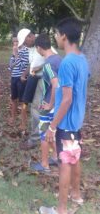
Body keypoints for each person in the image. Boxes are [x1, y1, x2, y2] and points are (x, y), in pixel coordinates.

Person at [39, 18, 89, 214]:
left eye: (57, 34)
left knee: (65, 163)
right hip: (76, 121)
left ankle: (61, 210)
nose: (56, 38)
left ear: (64, 37)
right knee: (74, 157)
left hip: (66, 122)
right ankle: (76, 195)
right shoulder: (82, 59)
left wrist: (52, 127)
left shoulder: (67, 62)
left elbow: (67, 99)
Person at [30, 33, 62, 173]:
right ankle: (55, 157)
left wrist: (50, 104)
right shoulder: (58, 59)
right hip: (59, 104)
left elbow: (55, 84)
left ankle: (44, 165)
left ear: (38, 47)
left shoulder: (48, 63)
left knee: (44, 133)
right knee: (51, 132)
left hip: (49, 104)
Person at [19, 29, 45, 149]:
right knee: (31, 106)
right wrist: (25, 73)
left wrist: (37, 70)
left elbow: (51, 60)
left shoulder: (42, 44)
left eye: (25, 41)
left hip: (42, 79)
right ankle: (38, 135)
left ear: (30, 37)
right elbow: (32, 63)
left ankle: (36, 138)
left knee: (36, 108)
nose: (24, 44)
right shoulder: (32, 49)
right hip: (33, 78)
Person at [8, 34, 29, 131]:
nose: (15, 44)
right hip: (14, 77)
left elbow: (23, 67)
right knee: (13, 99)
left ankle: (23, 122)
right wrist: (14, 55)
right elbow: (10, 67)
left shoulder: (25, 51)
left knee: (23, 101)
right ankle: (13, 117)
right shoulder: (14, 51)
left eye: (17, 41)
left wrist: (16, 55)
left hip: (21, 78)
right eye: (14, 42)